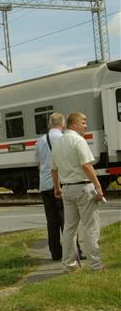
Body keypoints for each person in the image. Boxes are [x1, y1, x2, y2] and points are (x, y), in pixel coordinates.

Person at [52, 112, 104, 271]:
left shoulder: (58, 143)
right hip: (83, 187)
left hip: (67, 189)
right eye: (83, 122)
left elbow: (53, 169)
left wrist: (57, 188)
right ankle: (95, 265)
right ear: (73, 124)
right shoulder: (78, 140)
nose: (86, 125)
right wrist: (98, 186)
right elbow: (86, 166)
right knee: (90, 226)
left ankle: (69, 264)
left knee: (69, 228)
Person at [35, 113, 66, 260]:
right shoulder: (63, 139)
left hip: (45, 185)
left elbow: (39, 164)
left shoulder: (40, 141)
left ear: (49, 124)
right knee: (66, 220)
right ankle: (74, 250)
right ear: (63, 124)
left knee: (52, 221)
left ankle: (55, 252)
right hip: (60, 184)